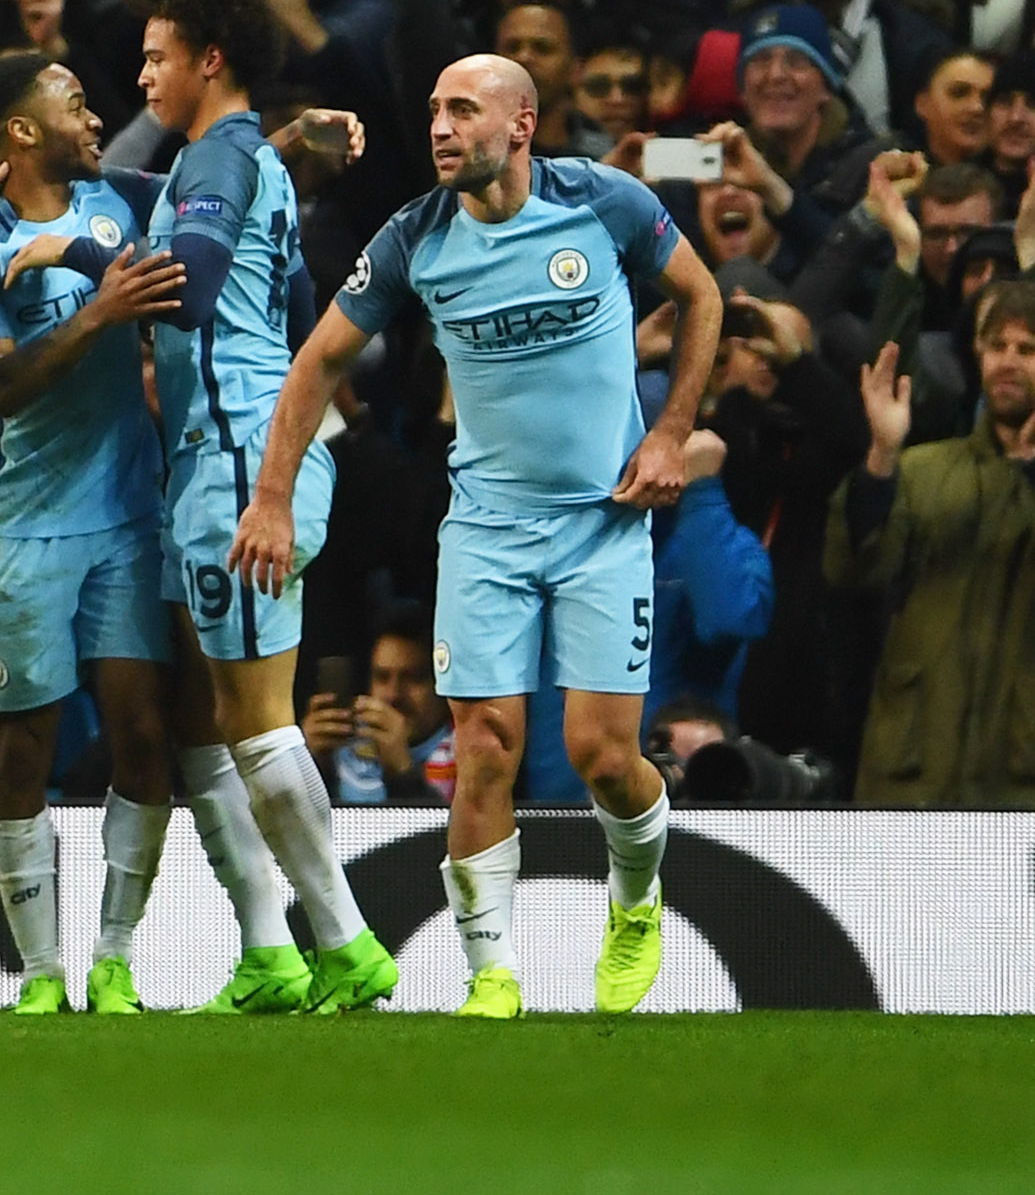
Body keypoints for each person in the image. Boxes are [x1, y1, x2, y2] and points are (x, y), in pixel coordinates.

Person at [238, 54, 723, 1019]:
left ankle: (635, 899)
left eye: (462, 109)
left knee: (600, 756)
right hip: (488, 532)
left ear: (521, 125)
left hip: (603, 522)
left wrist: (670, 433)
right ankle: (489, 975)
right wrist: (272, 497)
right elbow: (315, 362)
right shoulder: (414, 239)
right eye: (432, 110)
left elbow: (703, 297)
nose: (440, 128)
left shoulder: (605, 204)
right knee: (485, 742)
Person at [0, 54, 296, 1016]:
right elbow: (0, 381)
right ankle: (41, 975)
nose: (97, 116)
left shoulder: (119, 203)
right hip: (22, 530)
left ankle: (112, 957)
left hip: (132, 518)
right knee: (22, 754)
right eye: (75, 104)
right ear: (20, 131)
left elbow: (208, 190)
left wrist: (286, 140)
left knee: (143, 737)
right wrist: (103, 310)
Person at [119, 0, 399, 1010]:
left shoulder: (218, 164)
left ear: (209, 57)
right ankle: (311, 948)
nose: (142, 76)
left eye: (155, 56)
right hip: (236, 440)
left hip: (238, 454)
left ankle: (343, 942)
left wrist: (96, 283)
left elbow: (191, 290)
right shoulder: (243, 160)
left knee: (259, 717)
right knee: (246, 718)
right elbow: (269, 287)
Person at [830, 298, 1035, 807]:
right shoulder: (923, 470)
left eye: (1028, 349)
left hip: (1019, 784)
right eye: (998, 346)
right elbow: (855, 567)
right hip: (913, 775)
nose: (1008, 360)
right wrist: (881, 454)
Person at [303, 608, 456, 804]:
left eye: (413, 678)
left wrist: (403, 774)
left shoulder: (466, 753)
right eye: (382, 677)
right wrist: (309, 765)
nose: (393, 695)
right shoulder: (342, 746)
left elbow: (446, 833)